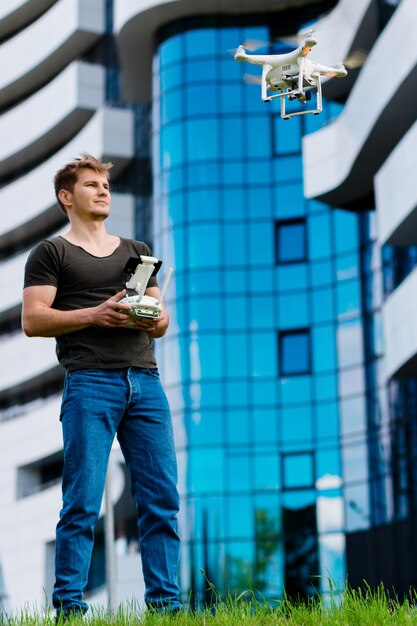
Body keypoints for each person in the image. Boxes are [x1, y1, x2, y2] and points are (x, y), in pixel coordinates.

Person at [22, 154, 181, 617]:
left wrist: (151, 315)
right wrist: (96, 314)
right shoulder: (51, 253)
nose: (103, 190)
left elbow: (161, 320)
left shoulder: (138, 251)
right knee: (82, 502)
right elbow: (33, 320)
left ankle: (166, 609)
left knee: (161, 501)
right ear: (66, 198)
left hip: (146, 383)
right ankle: (70, 608)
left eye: (106, 184)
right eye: (92, 184)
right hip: (89, 383)